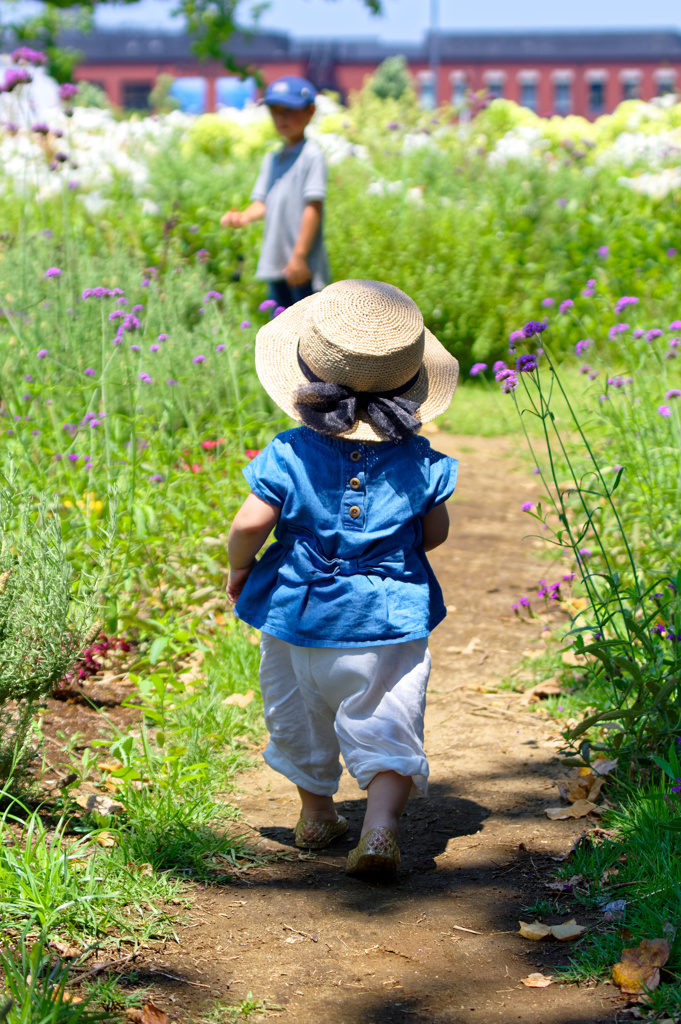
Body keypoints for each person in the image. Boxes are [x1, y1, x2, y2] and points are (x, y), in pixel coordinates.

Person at [227, 279, 459, 881]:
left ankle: (316, 816)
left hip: (298, 610)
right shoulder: (422, 460)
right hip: (388, 618)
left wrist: (239, 568)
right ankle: (380, 831)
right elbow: (433, 534)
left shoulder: (288, 453)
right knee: (386, 718)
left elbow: (249, 524)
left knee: (299, 713)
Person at [220, 75, 330, 309]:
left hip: (301, 267)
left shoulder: (311, 155)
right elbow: (262, 203)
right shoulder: (273, 158)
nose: (282, 118)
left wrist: (300, 256)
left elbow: (313, 207)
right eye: (275, 111)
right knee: (280, 335)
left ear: (310, 111)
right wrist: (242, 217)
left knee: (306, 336)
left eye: (289, 110)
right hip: (276, 261)